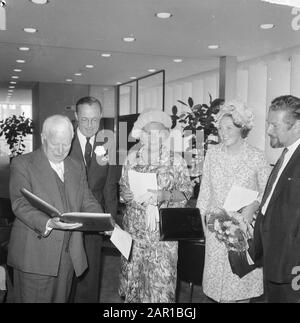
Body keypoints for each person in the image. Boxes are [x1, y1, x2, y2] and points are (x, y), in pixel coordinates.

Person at [7, 115, 103, 303]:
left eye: (66, 145)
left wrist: (101, 219)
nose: (60, 151)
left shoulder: (76, 166)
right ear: (43, 138)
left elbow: (86, 198)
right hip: (35, 255)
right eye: (55, 144)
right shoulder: (23, 164)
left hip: (68, 256)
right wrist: (48, 222)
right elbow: (19, 203)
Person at [197, 100, 271, 303]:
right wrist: (202, 227)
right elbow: (204, 194)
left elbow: (268, 192)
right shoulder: (212, 154)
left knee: (240, 286)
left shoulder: (257, 157)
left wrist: (252, 206)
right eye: (220, 128)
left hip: (243, 230)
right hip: (215, 230)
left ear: (242, 128)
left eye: (229, 128)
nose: (223, 133)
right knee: (217, 291)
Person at [119, 109, 193, 303]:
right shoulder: (131, 159)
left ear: (165, 135)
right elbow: (123, 190)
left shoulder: (176, 161)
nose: (153, 137)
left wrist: (165, 195)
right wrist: (125, 195)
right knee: (134, 284)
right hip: (135, 232)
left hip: (163, 235)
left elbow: (186, 193)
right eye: (149, 132)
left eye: (159, 132)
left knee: (161, 285)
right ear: (141, 135)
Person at [69, 96, 118, 303]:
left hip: (94, 215)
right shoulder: (65, 140)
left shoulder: (110, 142)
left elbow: (110, 186)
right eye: (84, 120)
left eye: (95, 120)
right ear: (75, 117)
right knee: (66, 272)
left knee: (91, 271)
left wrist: (110, 219)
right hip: (68, 214)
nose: (90, 126)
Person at [253, 95, 300, 303]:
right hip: (275, 257)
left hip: (292, 265)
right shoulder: (287, 153)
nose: (269, 130)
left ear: (296, 126)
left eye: (275, 125)